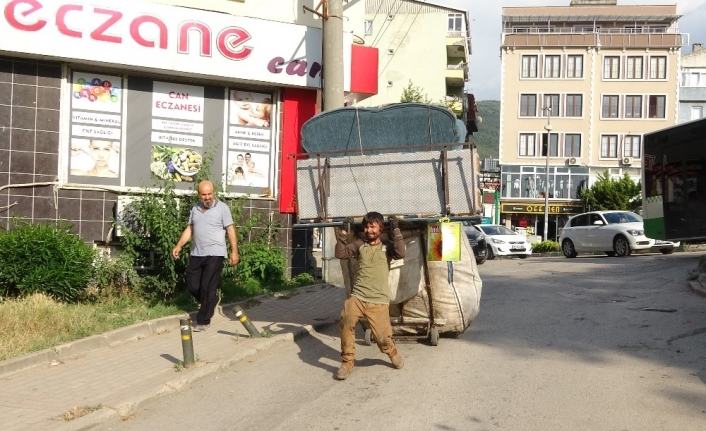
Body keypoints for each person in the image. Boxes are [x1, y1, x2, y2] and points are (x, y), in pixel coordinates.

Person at [334, 211, 405, 380]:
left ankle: (391, 351)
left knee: (382, 337)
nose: (369, 230)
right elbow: (340, 253)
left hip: (378, 300)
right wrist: (344, 232)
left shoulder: (387, 246)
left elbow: (401, 253)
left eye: (372, 226)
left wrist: (396, 230)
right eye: (366, 227)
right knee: (346, 318)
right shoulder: (359, 245)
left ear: (380, 228)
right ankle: (347, 362)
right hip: (358, 296)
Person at [172, 181, 240, 332]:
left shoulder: (222, 208)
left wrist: (234, 251)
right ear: (199, 195)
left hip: (215, 253)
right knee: (192, 285)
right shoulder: (195, 209)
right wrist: (179, 245)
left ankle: (203, 321)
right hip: (197, 253)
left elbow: (230, 230)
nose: (207, 197)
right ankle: (212, 300)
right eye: (204, 194)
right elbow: (190, 229)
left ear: (214, 192)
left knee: (207, 286)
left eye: (210, 194)